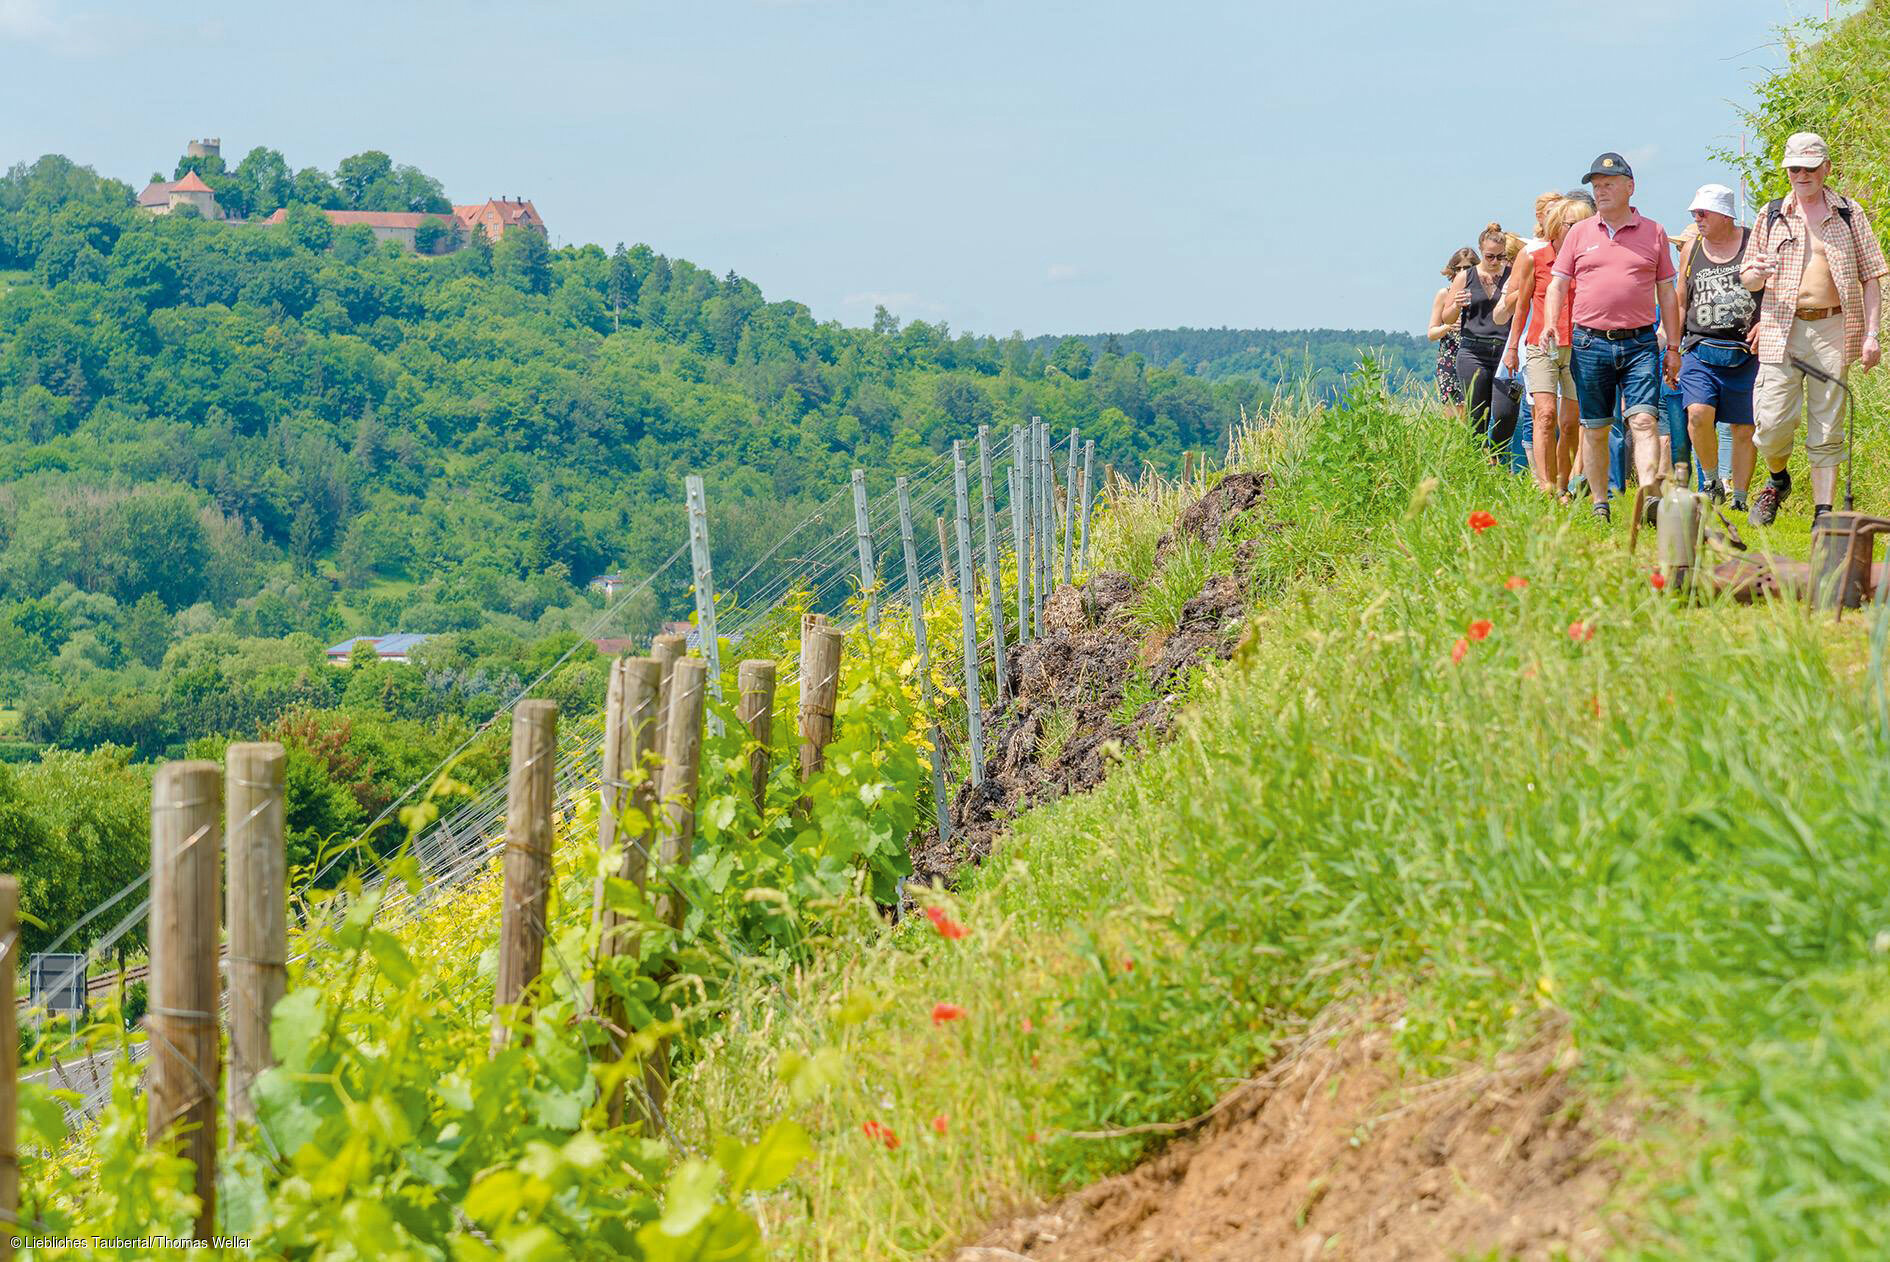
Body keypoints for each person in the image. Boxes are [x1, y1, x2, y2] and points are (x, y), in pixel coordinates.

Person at [1744, 132, 1888, 527]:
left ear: (1826, 168)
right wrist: (1755, 272)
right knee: (1772, 424)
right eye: (1794, 168)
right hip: (1779, 327)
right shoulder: (1770, 213)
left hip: (1834, 325)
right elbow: (1749, 278)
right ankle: (1777, 480)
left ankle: (1823, 512)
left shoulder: (1848, 213)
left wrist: (1872, 334)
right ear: (1787, 171)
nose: (1801, 175)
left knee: (1827, 423)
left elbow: (1873, 276)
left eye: (1809, 168)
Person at [1545, 152, 1681, 523]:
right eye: (1596, 186)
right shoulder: (1579, 232)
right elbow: (1558, 283)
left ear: (1629, 187)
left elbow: (1667, 292)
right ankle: (1600, 502)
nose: (1600, 192)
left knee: (1643, 421)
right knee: (1596, 426)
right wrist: (1550, 322)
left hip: (1639, 342)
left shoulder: (1654, 232)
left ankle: (1650, 496)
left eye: (1608, 185)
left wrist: (1672, 346)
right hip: (1590, 343)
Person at [1499, 195, 1593, 498]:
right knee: (1545, 415)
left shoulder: (1589, 261)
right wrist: (1512, 347)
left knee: (1570, 423)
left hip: (1579, 345)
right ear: (1556, 226)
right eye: (1571, 224)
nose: (1577, 230)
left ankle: (1565, 484)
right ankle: (1545, 486)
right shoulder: (1533, 257)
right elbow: (1522, 305)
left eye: (1584, 224)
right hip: (1541, 344)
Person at [1674, 184, 1761, 510]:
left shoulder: (1753, 242)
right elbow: (1682, 299)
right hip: (1699, 346)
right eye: (1695, 213)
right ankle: (1711, 480)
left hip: (1746, 350)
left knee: (1743, 427)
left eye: (1703, 213)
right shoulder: (1691, 249)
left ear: (1725, 215)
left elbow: (1778, 288)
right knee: (1697, 414)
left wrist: (1766, 322)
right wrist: (1672, 344)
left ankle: (1739, 498)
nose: (1697, 219)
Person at [1447, 223, 1516, 451]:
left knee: (1506, 414)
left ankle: (1496, 455)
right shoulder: (1465, 277)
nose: (1495, 262)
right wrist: (1456, 305)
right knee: (1477, 413)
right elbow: (1447, 317)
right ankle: (1477, 462)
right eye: (1489, 257)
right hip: (1473, 351)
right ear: (1480, 251)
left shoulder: (1512, 275)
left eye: (1500, 257)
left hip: (1505, 351)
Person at [1428, 247, 1478, 419]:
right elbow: (1431, 333)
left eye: (1468, 268)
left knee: (1475, 411)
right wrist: (1448, 326)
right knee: (1452, 414)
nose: (1463, 272)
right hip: (1450, 357)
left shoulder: (1480, 293)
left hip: (1476, 355)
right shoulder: (1444, 294)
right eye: (1459, 268)